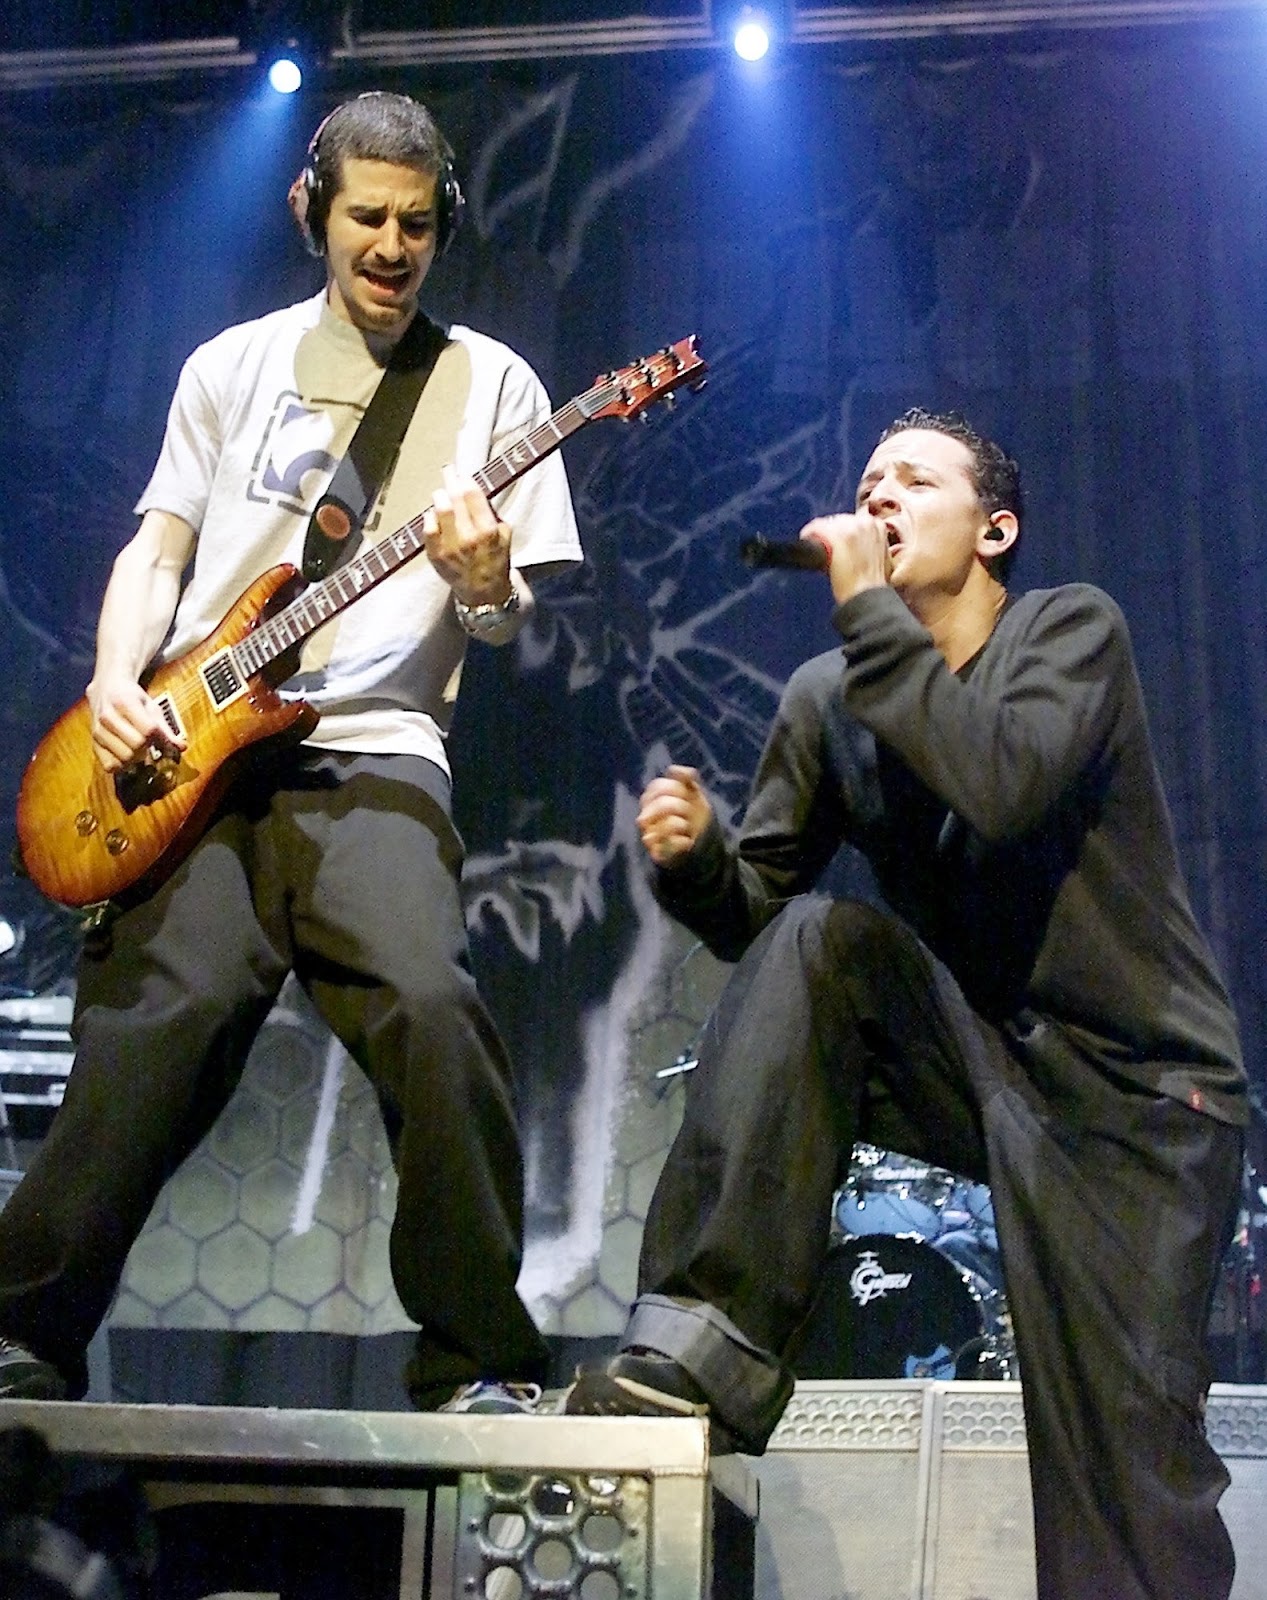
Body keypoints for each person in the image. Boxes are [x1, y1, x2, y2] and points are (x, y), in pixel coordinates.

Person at [566, 409, 1247, 1599]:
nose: (877, 497)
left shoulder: (1071, 632)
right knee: (820, 943)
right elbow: (760, 922)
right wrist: (696, 865)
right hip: (979, 1070)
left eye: (913, 481)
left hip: (1135, 1101)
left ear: (995, 529)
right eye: (867, 481)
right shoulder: (831, 694)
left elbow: (997, 781)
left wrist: (869, 615)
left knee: (1125, 1486)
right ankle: (699, 1348)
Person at [0, 92, 581, 1413]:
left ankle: (477, 1364)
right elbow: (157, 551)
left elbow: (503, 620)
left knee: (430, 1009)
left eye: (417, 225)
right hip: (193, 756)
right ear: (308, 210)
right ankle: (24, 1332)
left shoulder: (493, 385)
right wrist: (108, 683)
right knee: (157, 1023)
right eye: (366, 217)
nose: (390, 246)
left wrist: (484, 579)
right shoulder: (229, 365)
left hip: (376, 749)